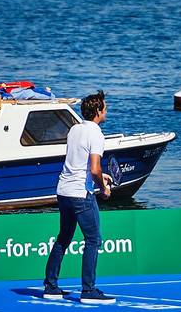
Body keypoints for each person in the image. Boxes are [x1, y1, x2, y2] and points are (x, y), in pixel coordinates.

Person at [43, 91, 114, 304]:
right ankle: (88, 290)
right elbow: (93, 169)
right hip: (81, 195)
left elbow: (80, 162)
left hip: (63, 191)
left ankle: (50, 286)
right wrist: (103, 188)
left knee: (63, 238)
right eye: (105, 107)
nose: (107, 110)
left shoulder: (74, 129)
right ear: (99, 111)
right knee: (93, 240)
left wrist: (102, 176)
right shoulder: (97, 134)